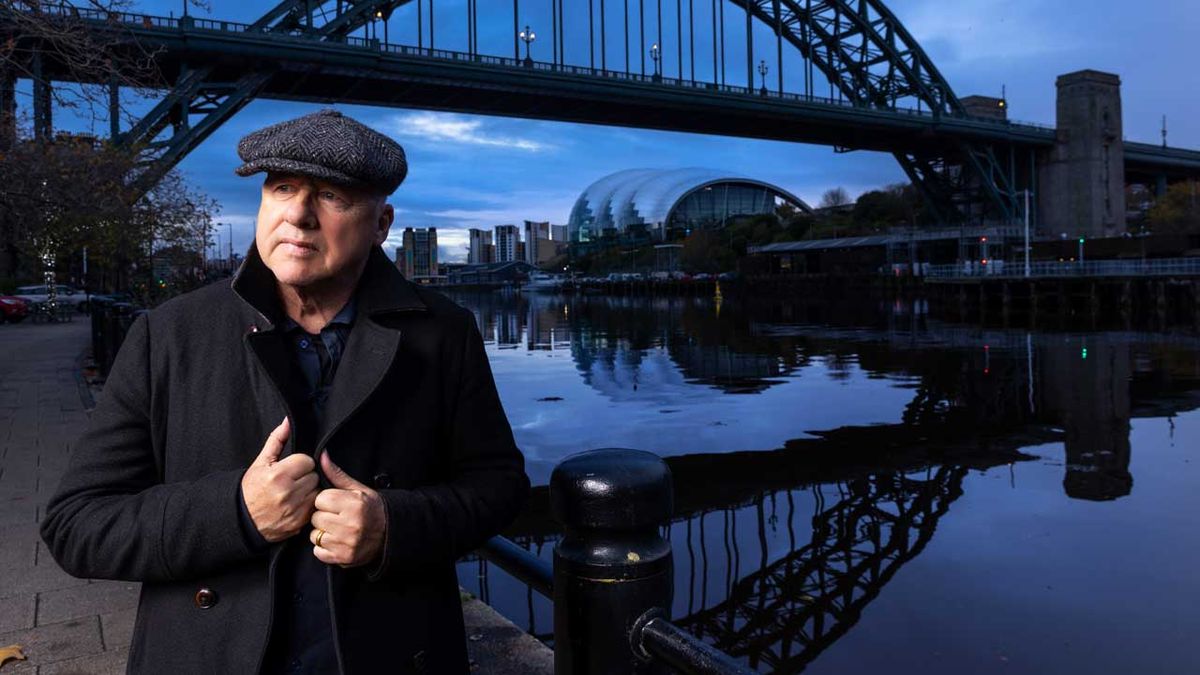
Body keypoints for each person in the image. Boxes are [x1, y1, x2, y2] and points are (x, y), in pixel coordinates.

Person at [41, 109, 529, 674]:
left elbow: (498, 487)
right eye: (282, 188)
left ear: (382, 224)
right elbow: (77, 526)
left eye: (333, 196)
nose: (298, 215)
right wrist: (236, 514)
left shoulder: (443, 333)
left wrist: (394, 526)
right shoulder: (169, 335)